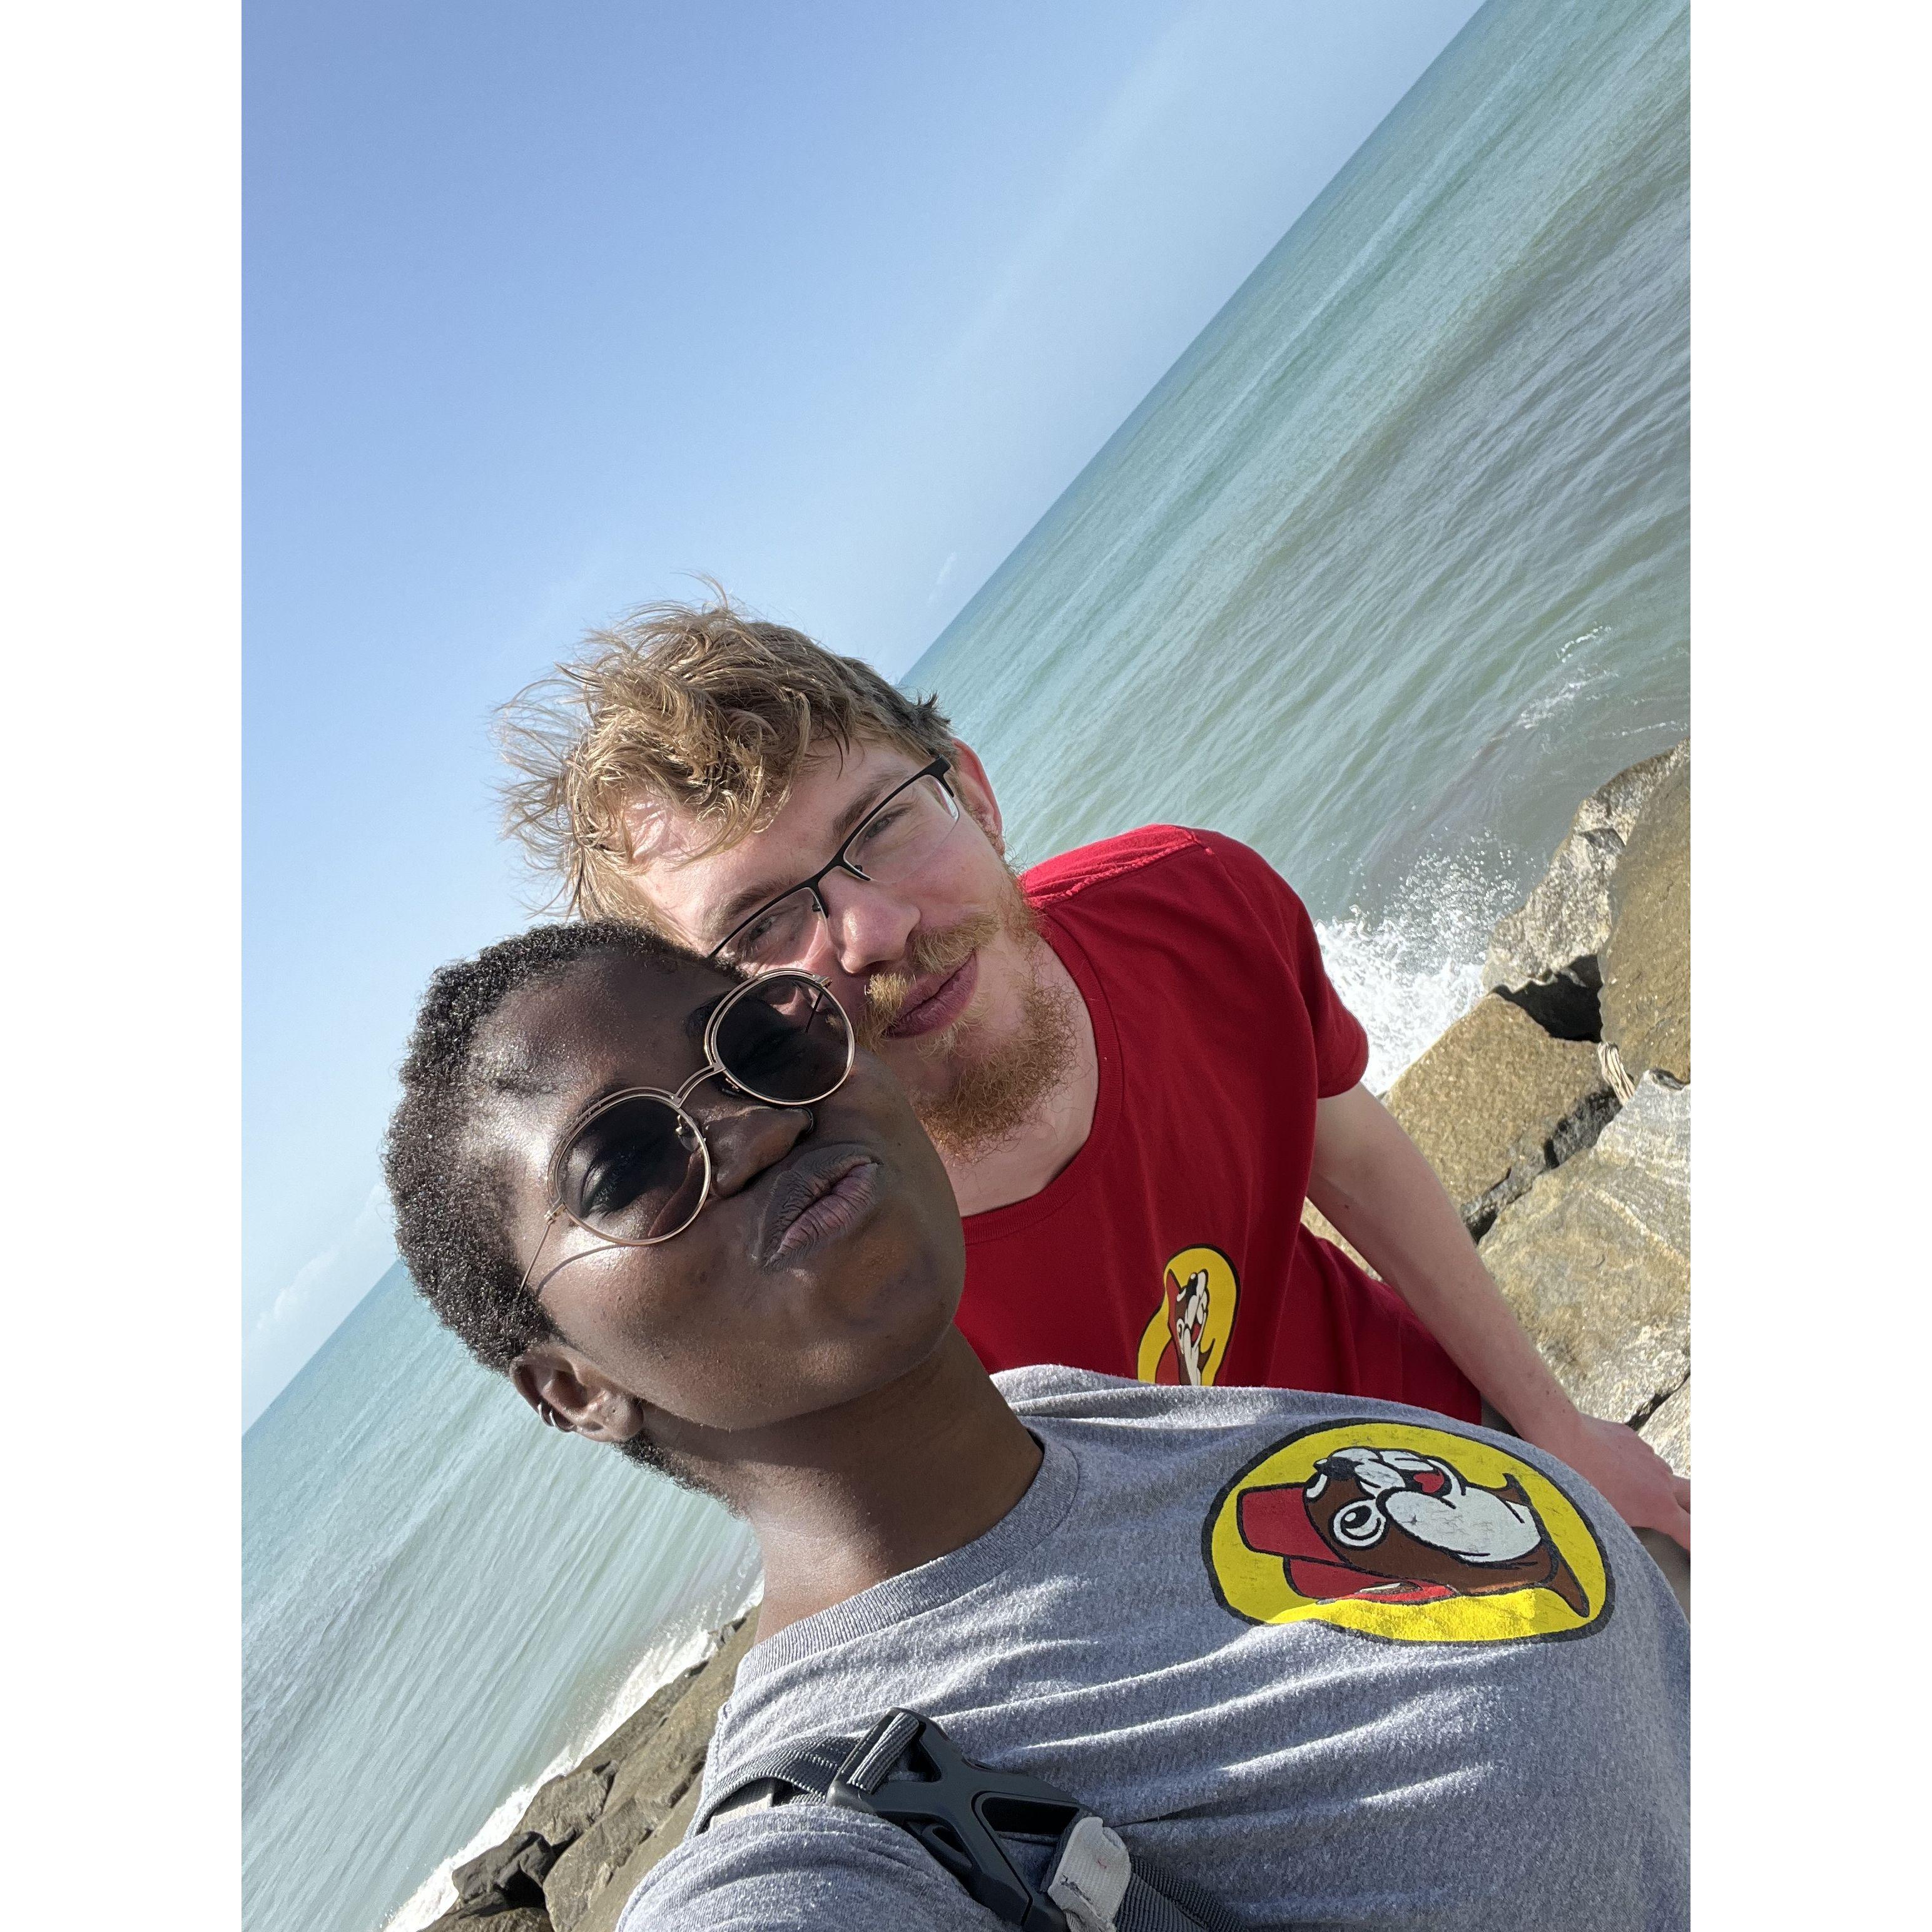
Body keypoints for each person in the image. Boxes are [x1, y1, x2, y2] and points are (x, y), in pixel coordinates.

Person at [382, 922, 1690, 1931]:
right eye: (627, 1164)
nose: (755, 1122)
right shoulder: (840, 1832)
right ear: (574, 1387)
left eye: (759, 1041)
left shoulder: (1067, 1413)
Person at [494, 594, 1690, 1555]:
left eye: (885, 823)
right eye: (761, 923)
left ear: (974, 794)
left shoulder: (1196, 903)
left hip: (1423, 1428)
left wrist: (1557, 1429)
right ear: (719, 1022)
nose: (873, 931)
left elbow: (1350, 1149)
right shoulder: (821, 1277)